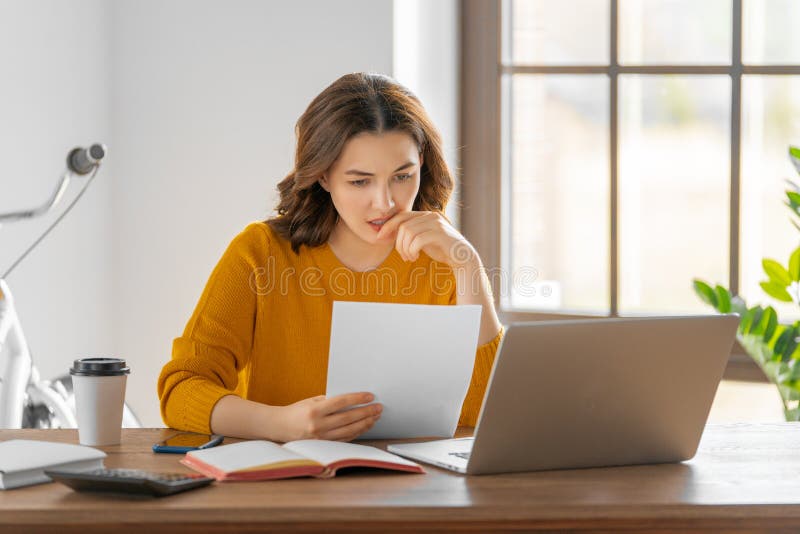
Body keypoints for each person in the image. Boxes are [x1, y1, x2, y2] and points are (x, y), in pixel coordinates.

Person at [157, 72, 504, 442]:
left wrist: (467, 263)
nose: (385, 203)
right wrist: (281, 424)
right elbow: (182, 390)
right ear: (323, 176)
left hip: (413, 485)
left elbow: (485, 411)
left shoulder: (444, 258)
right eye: (359, 181)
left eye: (402, 176)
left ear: (421, 162)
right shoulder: (259, 253)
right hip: (287, 481)